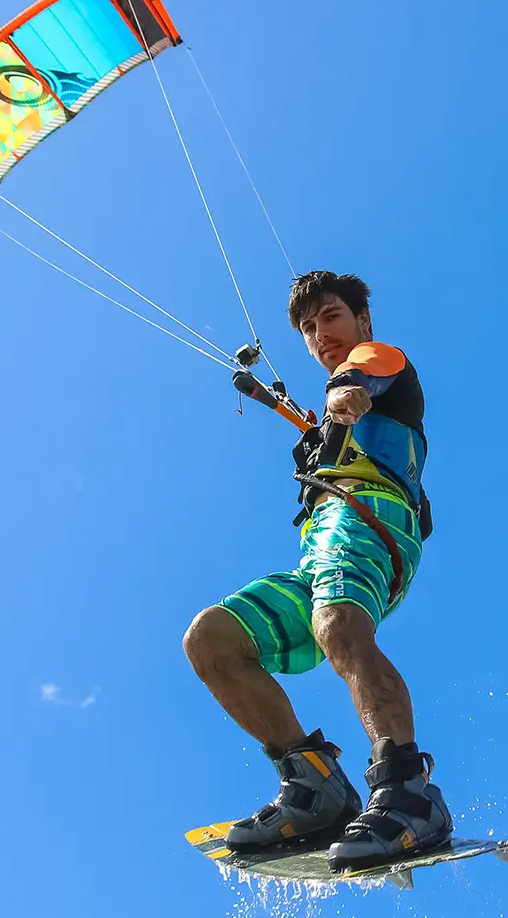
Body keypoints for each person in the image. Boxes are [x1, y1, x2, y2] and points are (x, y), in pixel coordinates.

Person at [183, 271, 451, 873]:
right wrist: (323, 427)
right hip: (319, 549)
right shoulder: (320, 430)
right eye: (308, 327)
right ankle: (313, 784)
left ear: (362, 321)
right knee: (212, 640)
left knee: (338, 625)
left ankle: (408, 791)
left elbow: (365, 374)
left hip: (373, 523)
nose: (319, 333)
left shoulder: (381, 361)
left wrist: (345, 394)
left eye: (330, 317)